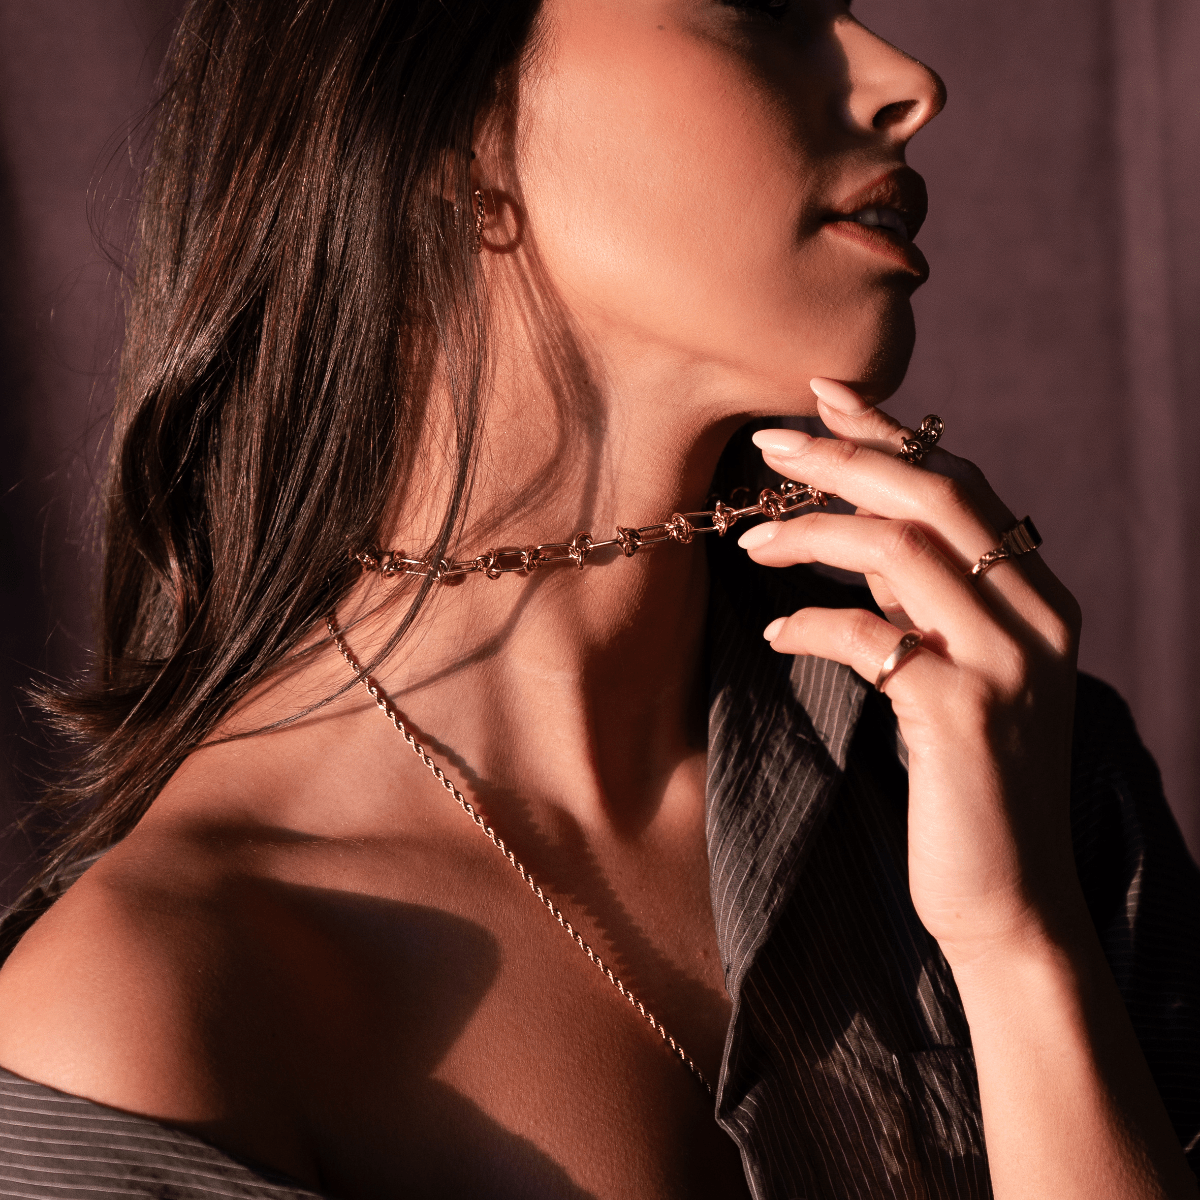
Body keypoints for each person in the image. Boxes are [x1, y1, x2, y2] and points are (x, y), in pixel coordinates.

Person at [0, 0, 1195, 1197]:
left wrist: (1019, 945)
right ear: (454, 132)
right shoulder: (145, 1021)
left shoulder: (996, 764)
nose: (909, 80)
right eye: (762, 10)